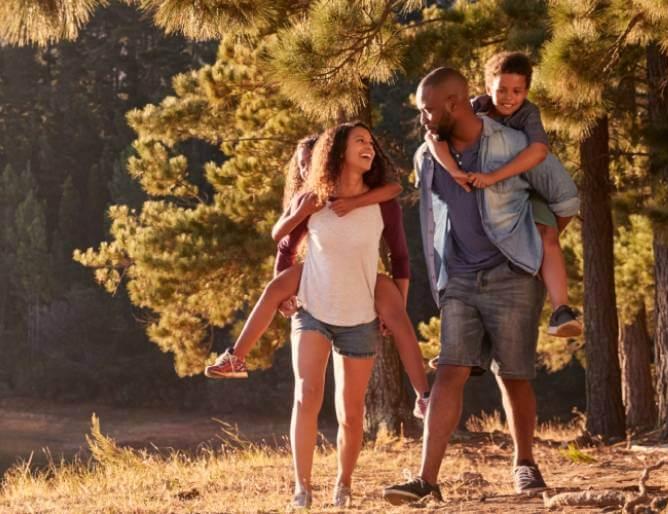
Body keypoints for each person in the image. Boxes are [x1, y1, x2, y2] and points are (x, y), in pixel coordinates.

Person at [383, 68, 579, 505]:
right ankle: (426, 480)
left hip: (513, 277)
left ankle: (525, 464)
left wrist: (537, 243)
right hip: (459, 279)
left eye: (429, 109)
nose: (425, 118)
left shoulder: (514, 146)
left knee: (513, 376)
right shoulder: (426, 156)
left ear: (454, 103)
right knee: (449, 371)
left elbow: (566, 198)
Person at [204, 135, 430, 419]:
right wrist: (301, 215)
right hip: (320, 273)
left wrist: (356, 202)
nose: (304, 171)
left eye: (310, 163)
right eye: (300, 165)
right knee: (275, 289)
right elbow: (283, 245)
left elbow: (393, 191)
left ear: (327, 160)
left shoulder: (366, 194)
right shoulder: (309, 199)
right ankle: (236, 357)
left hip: (361, 273)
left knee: (398, 316)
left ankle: (424, 395)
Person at [280, 121, 414, 508]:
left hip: (359, 315)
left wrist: (395, 310)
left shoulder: (380, 200)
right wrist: (284, 292)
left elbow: (401, 259)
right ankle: (302, 489)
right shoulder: (313, 200)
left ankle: (344, 484)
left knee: (351, 412)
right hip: (313, 309)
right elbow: (285, 247)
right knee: (306, 393)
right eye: (359, 141)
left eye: (369, 142)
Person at [425, 51, 581, 338]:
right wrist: (453, 171)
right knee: (459, 251)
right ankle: (456, 343)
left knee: (546, 237)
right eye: (502, 90)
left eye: (517, 91)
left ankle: (561, 309)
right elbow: (434, 136)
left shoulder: (527, 114)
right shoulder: (476, 109)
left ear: (527, 92)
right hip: (486, 196)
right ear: (487, 89)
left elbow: (538, 152)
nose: (509, 97)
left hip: (525, 188)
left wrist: (493, 176)